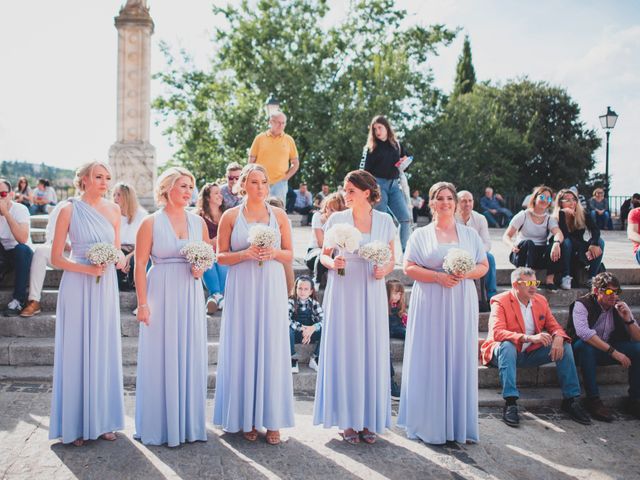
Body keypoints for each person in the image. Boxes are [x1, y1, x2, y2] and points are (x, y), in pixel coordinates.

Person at [398, 182, 488, 445]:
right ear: (432, 203)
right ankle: (429, 422)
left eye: (450, 198)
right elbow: (408, 267)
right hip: (430, 300)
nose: (446, 202)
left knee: (459, 355)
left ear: (456, 202)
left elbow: (482, 265)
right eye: (440, 198)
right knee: (430, 356)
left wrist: (465, 273)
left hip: (461, 300)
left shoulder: (470, 235)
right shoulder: (420, 234)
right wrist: (438, 277)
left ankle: (457, 422)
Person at [314, 170, 396, 445]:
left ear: (366, 191)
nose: (345, 195)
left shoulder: (385, 221)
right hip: (344, 285)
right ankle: (347, 420)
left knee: (370, 349)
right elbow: (324, 256)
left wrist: (383, 270)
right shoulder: (337, 219)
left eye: (350, 190)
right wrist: (332, 263)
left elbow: (392, 260)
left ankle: (368, 419)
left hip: (372, 288)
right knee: (346, 349)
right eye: (345, 190)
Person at [213, 164, 294, 446]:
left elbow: (289, 254)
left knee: (271, 346)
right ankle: (245, 417)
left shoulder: (279, 215)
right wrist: (245, 253)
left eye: (265, 182)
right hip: (242, 285)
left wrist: (272, 252)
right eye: (255, 182)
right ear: (243, 184)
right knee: (243, 345)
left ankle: (271, 420)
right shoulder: (231, 216)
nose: (261, 187)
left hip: (270, 285)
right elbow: (220, 256)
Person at [49, 161, 126, 446]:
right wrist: (87, 268)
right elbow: (56, 258)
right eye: (98, 176)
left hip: (105, 285)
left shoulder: (115, 210)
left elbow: (118, 251)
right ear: (83, 180)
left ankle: (104, 420)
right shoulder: (68, 209)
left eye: (107, 177)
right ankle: (75, 424)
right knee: (77, 349)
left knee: (104, 348)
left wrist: (117, 260)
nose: (104, 181)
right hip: (77, 283)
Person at [133, 167, 208, 447]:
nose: (189, 191)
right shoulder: (150, 222)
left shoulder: (197, 223)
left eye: (191, 186)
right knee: (159, 356)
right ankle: (158, 424)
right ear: (166, 189)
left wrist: (201, 267)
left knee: (189, 352)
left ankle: (188, 424)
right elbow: (140, 264)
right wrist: (142, 303)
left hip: (190, 291)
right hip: (159, 290)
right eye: (183, 186)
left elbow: (206, 255)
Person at [480, 267, 591, 427]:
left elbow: (554, 326)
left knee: (565, 346)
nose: (534, 287)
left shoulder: (540, 301)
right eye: (529, 283)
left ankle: (570, 400)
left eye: (536, 282)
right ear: (516, 285)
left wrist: (559, 337)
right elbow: (498, 333)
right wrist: (529, 338)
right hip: (503, 353)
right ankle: (510, 402)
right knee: (507, 346)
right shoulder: (500, 301)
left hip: (529, 353)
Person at [569, 272, 640, 421]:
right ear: (596, 291)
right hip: (582, 351)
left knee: (638, 349)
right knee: (585, 345)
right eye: (608, 291)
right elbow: (584, 333)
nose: (613, 295)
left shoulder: (619, 306)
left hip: (606, 349)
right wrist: (615, 353)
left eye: (616, 292)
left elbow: (637, 338)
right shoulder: (581, 304)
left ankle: (634, 400)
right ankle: (593, 400)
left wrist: (628, 319)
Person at [362, 115, 412, 251]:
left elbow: (407, 161)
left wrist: (405, 162)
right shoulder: (370, 148)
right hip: (378, 185)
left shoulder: (397, 145)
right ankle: (380, 253)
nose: (377, 131)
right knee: (381, 220)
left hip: (395, 185)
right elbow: (363, 171)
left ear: (387, 128)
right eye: (374, 128)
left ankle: (406, 254)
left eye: (380, 127)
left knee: (405, 219)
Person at [503, 185, 563, 290]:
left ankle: (550, 281)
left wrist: (556, 243)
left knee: (554, 245)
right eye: (542, 197)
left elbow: (558, 233)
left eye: (548, 198)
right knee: (529, 243)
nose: (545, 200)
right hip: (521, 253)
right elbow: (506, 236)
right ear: (535, 198)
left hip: (538, 255)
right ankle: (528, 280)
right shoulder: (523, 215)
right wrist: (511, 245)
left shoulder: (549, 219)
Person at [20, 201, 69, 317]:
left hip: (85, 256)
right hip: (65, 252)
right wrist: (62, 243)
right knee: (40, 251)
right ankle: (34, 300)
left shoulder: (100, 208)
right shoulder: (65, 205)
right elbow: (50, 232)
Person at [550, 188, 604, 290]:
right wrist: (562, 214)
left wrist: (593, 243)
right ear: (560, 203)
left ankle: (591, 278)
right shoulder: (555, 217)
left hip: (579, 247)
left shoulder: (582, 213)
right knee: (566, 242)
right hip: (564, 250)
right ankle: (566, 276)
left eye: (574, 199)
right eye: (567, 200)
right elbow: (564, 236)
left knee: (600, 242)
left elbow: (595, 230)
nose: (572, 203)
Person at [249, 111, 299, 204]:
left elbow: (295, 162)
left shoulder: (289, 140)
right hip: (260, 182)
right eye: (278, 122)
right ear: (270, 122)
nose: (281, 125)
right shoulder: (260, 138)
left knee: (278, 211)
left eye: (283, 123)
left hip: (279, 183)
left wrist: (286, 177)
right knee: (258, 209)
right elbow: (251, 161)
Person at [456, 190, 497, 303]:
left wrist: (475, 254)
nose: (467, 204)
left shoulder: (480, 219)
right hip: (456, 255)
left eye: (470, 201)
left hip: (476, 254)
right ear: (457, 203)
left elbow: (487, 243)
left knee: (489, 258)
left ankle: (491, 297)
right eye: (463, 201)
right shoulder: (451, 219)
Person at [0, 179, 33, 316]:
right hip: (4, 253)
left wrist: (6, 213)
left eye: (2, 194)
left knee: (21, 249)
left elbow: (22, 239)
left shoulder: (20, 209)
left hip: (21, 253)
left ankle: (18, 300)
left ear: (11, 194)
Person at [196, 182, 229, 313]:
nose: (220, 196)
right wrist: (211, 242)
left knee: (222, 261)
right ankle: (219, 297)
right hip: (206, 253)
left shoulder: (226, 214)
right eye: (216, 193)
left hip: (223, 252)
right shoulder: (199, 216)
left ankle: (215, 297)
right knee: (208, 260)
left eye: (220, 193)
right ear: (207, 197)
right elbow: (197, 240)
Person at [305, 192, 346, 289]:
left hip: (333, 255)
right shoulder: (318, 217)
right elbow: (321, 243)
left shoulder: (342, 220)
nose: (329, 212)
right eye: (328, 208)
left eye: (334, 210)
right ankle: (316, 281)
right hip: (314, 253)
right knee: (322, 253)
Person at [113, 183, 147, 291]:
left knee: (134, 261)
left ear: (128, 196)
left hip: (136, 250)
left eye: (119, 195)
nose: (115, 198)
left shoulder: (142, 215)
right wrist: (121, 255)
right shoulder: (112, 214)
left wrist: (129, 256)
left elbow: (146, 243)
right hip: (117, 250)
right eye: (114, 195)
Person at [289, 275, 323, 373]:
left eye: (306, 289)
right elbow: (286, 319)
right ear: (295, 289)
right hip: (295, 334)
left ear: (311, 291)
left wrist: (313, 328)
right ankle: (292, 358)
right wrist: (302, 329)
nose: (302, 292)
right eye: (300, 288)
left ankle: (315, 357)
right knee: (287, 329)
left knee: (326, 329)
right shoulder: (291, 302)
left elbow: (324, 319)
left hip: (310, 335)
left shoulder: (314, 304)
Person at [386, 279, 407, 400]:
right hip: (387, 329)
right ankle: (391, 385)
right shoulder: (383, 307)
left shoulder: (398, 308)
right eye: (395, 293)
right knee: (385, 351)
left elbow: (402, 323)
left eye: (400, 294)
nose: (397, 297)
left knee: (410, 334)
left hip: (397, 328)